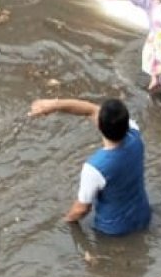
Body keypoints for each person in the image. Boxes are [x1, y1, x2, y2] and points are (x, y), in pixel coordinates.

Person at [29, 97, 152, 236]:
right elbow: (91, 110)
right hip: (143, 217)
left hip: (112, 232)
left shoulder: (95, 168)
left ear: (99, 125)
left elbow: (82, 209)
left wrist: (64, 222)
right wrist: (54, 105)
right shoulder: (135, 135)